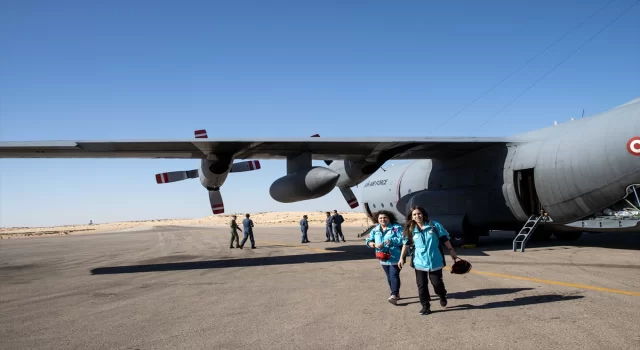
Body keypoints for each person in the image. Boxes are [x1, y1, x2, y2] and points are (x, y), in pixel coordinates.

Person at [398, 206, 460, 315]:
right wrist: (401, 258)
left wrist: (451, 251)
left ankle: (442, 295)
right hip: (419, 261)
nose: (417, 216)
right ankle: (425, 306)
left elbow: (445, 238)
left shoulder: (434, 225)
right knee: (421, 285)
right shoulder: (410, 228)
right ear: (411, 217)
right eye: (414, 214)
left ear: (424, 214)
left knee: (437, 283)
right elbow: (406, 244)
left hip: (435, 260)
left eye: (419, 213)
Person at [364, 210, 404, 305]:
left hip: (395, 256)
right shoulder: (375, 229)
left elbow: (402, 239)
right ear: (377, 219)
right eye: (380, 218)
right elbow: (368, 240)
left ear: (389, 218)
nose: (383, 219)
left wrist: (391, 241)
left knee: (394, 275)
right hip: (382, 257)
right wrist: (373, 244)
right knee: (389, 276)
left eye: (385, 217)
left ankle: (394, 295)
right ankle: (396, 293)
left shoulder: (396, 228)